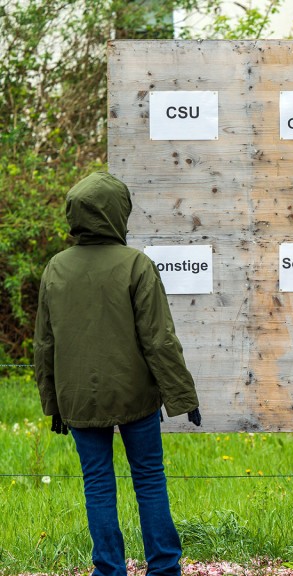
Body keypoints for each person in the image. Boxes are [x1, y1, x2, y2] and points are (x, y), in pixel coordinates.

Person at [33, 171, 202, 576]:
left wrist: (53, 403)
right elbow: (159, 340)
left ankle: (108, 570)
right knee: (149, 479)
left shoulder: (55, 269)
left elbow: (44, 346)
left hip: (78, 399)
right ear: (115, 212)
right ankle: (164, 568)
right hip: (135, 398)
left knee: (97, 484)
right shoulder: (136, 265)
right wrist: (184, 398)